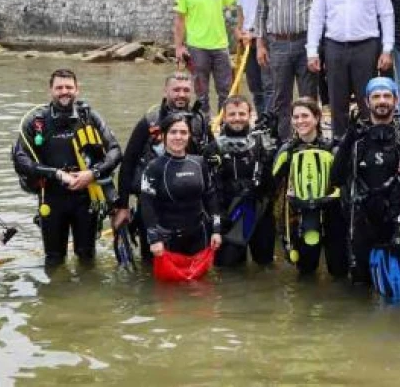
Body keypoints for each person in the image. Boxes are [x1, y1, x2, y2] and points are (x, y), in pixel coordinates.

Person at [12, 69, 123, 268]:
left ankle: (88, 295)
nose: (64, 91)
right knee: (53, 258)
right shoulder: (36, 121)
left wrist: (92, 173)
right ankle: (54, 296)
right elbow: (20, 160)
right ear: (50, 91)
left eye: (69, 87)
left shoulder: (89, 117)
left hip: (86, 196)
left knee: (87, 256)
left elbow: (115, 151)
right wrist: (55, 174)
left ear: (77, 90)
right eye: (59, 88)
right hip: (51, 197)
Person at [333, 78, 400, 294]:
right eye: (376, 96)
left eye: (386, 96)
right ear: (367, 101)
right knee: (359, 289)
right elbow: (336, 179)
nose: (381, 101)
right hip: (362, 221)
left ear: (396, 100)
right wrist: (347, 142)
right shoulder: (356, 137)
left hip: (396, 221)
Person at [307, 0, 395, 138]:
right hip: (334, 48)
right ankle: (340, 146)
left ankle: (369, 145)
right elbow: (316, 17)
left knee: (368, 102)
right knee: (338, 103)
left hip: (367, 48)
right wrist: (312, 51)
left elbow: (387, 15)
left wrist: (387, 49)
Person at [115, 72, 211, 260]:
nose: (181, 94)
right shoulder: (149, 122)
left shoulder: (199, 121)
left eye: (185, 90)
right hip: (153, 206)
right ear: (165, 91)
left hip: (190, 207)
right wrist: (123, 206)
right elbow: (128, 163)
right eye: (176, 90)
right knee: (151, 265)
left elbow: (209, 166)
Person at [255, 0, 323, 140]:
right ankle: (283, 142)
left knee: (308, 96)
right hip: (278, 43)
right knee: (280, 97)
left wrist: (320, 48)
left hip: (306, 43)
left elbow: (322, 11)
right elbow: (262, 10)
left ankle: (311, 140)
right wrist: (260, 44)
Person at [272, 98, 347, 277]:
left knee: (338, 271)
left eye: (305, 116)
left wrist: (329, 198)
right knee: (306, 272)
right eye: (295, 117)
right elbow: (273, 182)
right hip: (300, 214)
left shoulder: (332, 147)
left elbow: (344, 182)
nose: (300, 121)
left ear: (317, 118)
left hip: (332, 213)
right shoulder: (287, 150)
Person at [206, 95, 279, 267]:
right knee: (229, 269)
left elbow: (275, 183)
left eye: (241, 113)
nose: (237, 118)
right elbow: (209, 190)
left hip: (260, 212)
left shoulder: (263, 143)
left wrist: (276, 139)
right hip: (229, 215)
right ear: (224, 117)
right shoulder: (213, 147)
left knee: (264, 267)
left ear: (250, 115)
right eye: (232, 114)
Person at [140, 113, 223, 258]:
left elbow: (210, 196)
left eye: (183, 132)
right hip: (168, 240)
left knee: (202, 281)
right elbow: (147, 204)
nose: (178, 137)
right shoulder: (154, 167)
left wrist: (216, 230)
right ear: (164, 135)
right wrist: (154, 239)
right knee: (169, 281)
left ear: (189, 135)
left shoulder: (200, 163)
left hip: (199, 236)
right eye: (173, 132)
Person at [174, 0, 237, 111]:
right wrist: (179, 47)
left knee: (225, 90)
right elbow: (180, 21)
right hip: (197, 48)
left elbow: (237, 6)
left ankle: (224, 123)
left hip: (220, 47)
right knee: (201, 92)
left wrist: (240, 28)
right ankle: (204, 124)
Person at [227, 0, 271, 113]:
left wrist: (257, 33)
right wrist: (238, 30)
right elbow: (241, 11)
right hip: (246, 41)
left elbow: (270, 6)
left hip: (263, 37)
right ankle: (261, 119)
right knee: (254, 84)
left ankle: (271, 121)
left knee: (269, 83)